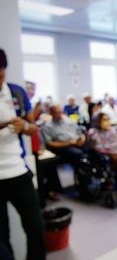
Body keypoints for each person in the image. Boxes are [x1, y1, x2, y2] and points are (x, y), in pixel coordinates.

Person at [0, 48, 46, 260]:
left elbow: (33, 128)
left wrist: (24, 126)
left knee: (36, 228)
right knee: (1, 238)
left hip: (18, 172)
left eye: (1, 76)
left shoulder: (17, 92)